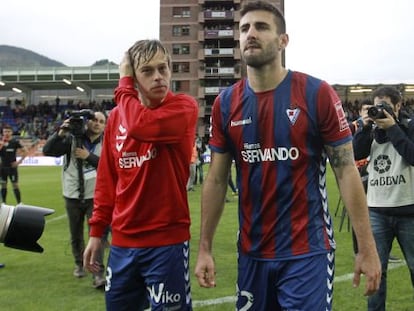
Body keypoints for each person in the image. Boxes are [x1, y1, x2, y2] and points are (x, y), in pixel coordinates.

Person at [194, 2, 381, 310]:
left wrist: (367, 247)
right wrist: (204, 248)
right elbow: (215, 180)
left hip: (306, 252)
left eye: (262, 27)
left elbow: (346, 172)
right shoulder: (225, 104)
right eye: (244, 29)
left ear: (283, 41)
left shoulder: (316, 93)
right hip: (252, 252)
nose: (251, 34)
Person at [83, 39, 198, 310]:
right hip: (122, 243)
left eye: (163, 68)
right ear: (135, 77)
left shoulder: (184, 107)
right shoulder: (115, 118)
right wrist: (97, 232)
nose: (158, 76)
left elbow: (140, 126)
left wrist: (124, 86)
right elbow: (107, 180)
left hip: (166, 241)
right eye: (147, 71)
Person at [353, 86, 414, 311]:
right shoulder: (371, 131)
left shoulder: (409, 127)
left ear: (398, 106)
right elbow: (355, 154)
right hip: (377, 211)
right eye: (377, 106)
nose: (381, 111)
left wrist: (393, 128)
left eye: (386, 106)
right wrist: (364, 127)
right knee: (376, 273)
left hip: (409, 210)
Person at [42, 110, 107, 289]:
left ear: (105, 126)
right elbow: (48, 151)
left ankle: (98, 273)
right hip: (72, 194)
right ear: (87, 122)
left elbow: (111, 167)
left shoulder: (107, 143)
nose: (97, 123)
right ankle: (79, 264)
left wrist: (89, 157)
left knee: (97, 236)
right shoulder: (71, 138)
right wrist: (61, 132)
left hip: (95, 195)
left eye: (101, 121)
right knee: (75, 234)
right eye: (93, 119)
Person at [0, 124, 28, 204]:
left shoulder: (15, 142)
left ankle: (19, 203)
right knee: (3, 185)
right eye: (5, 131)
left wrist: (19, 162)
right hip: (2, 168)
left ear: (11, 132)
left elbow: (25, 151)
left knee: (15, 185)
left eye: (8, 131)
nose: (7, 133)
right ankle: (3, 203)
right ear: (2, 133)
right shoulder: (1, 143)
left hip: (12, 168)